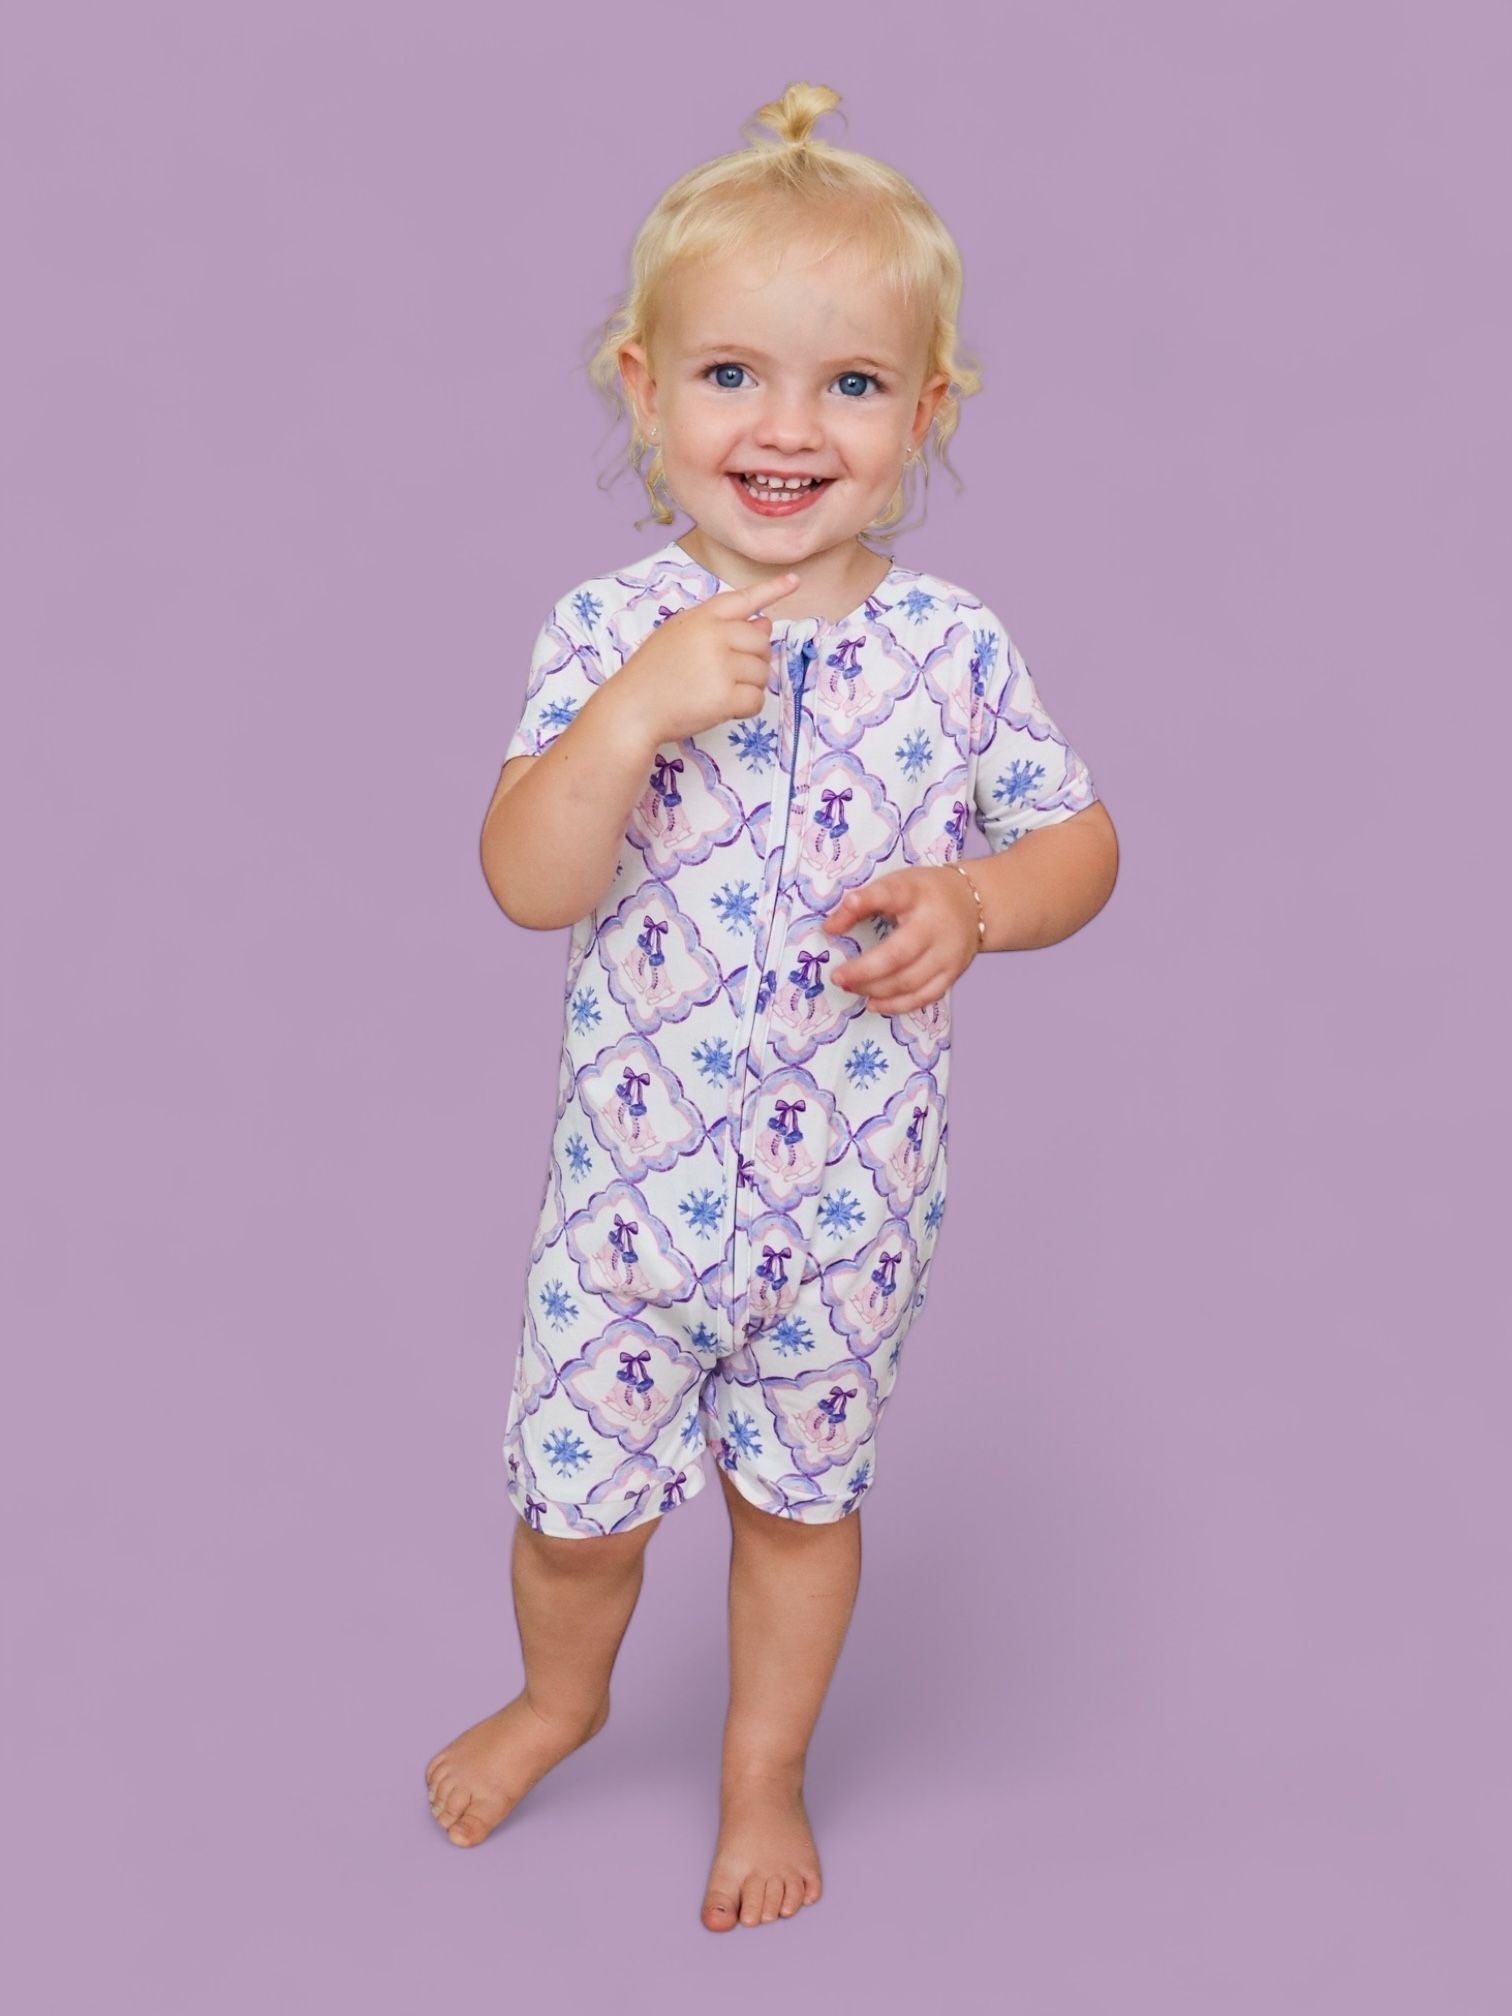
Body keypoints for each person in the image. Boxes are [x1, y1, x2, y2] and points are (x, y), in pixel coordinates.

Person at [425, 78, 1120, 1931]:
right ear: (643, 390)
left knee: (800, 1512)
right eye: (731, 374)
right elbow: (527, 880)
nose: (789, 428)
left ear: (927, 415)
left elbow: (1083, 845)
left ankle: (762, 1774)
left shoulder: (952, 651)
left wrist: (979, 900)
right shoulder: (606, 634)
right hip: (628, 1217)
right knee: (577, 1519)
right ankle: (561, 1699)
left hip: (847, 1210)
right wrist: (633, 713)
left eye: (853, 384)